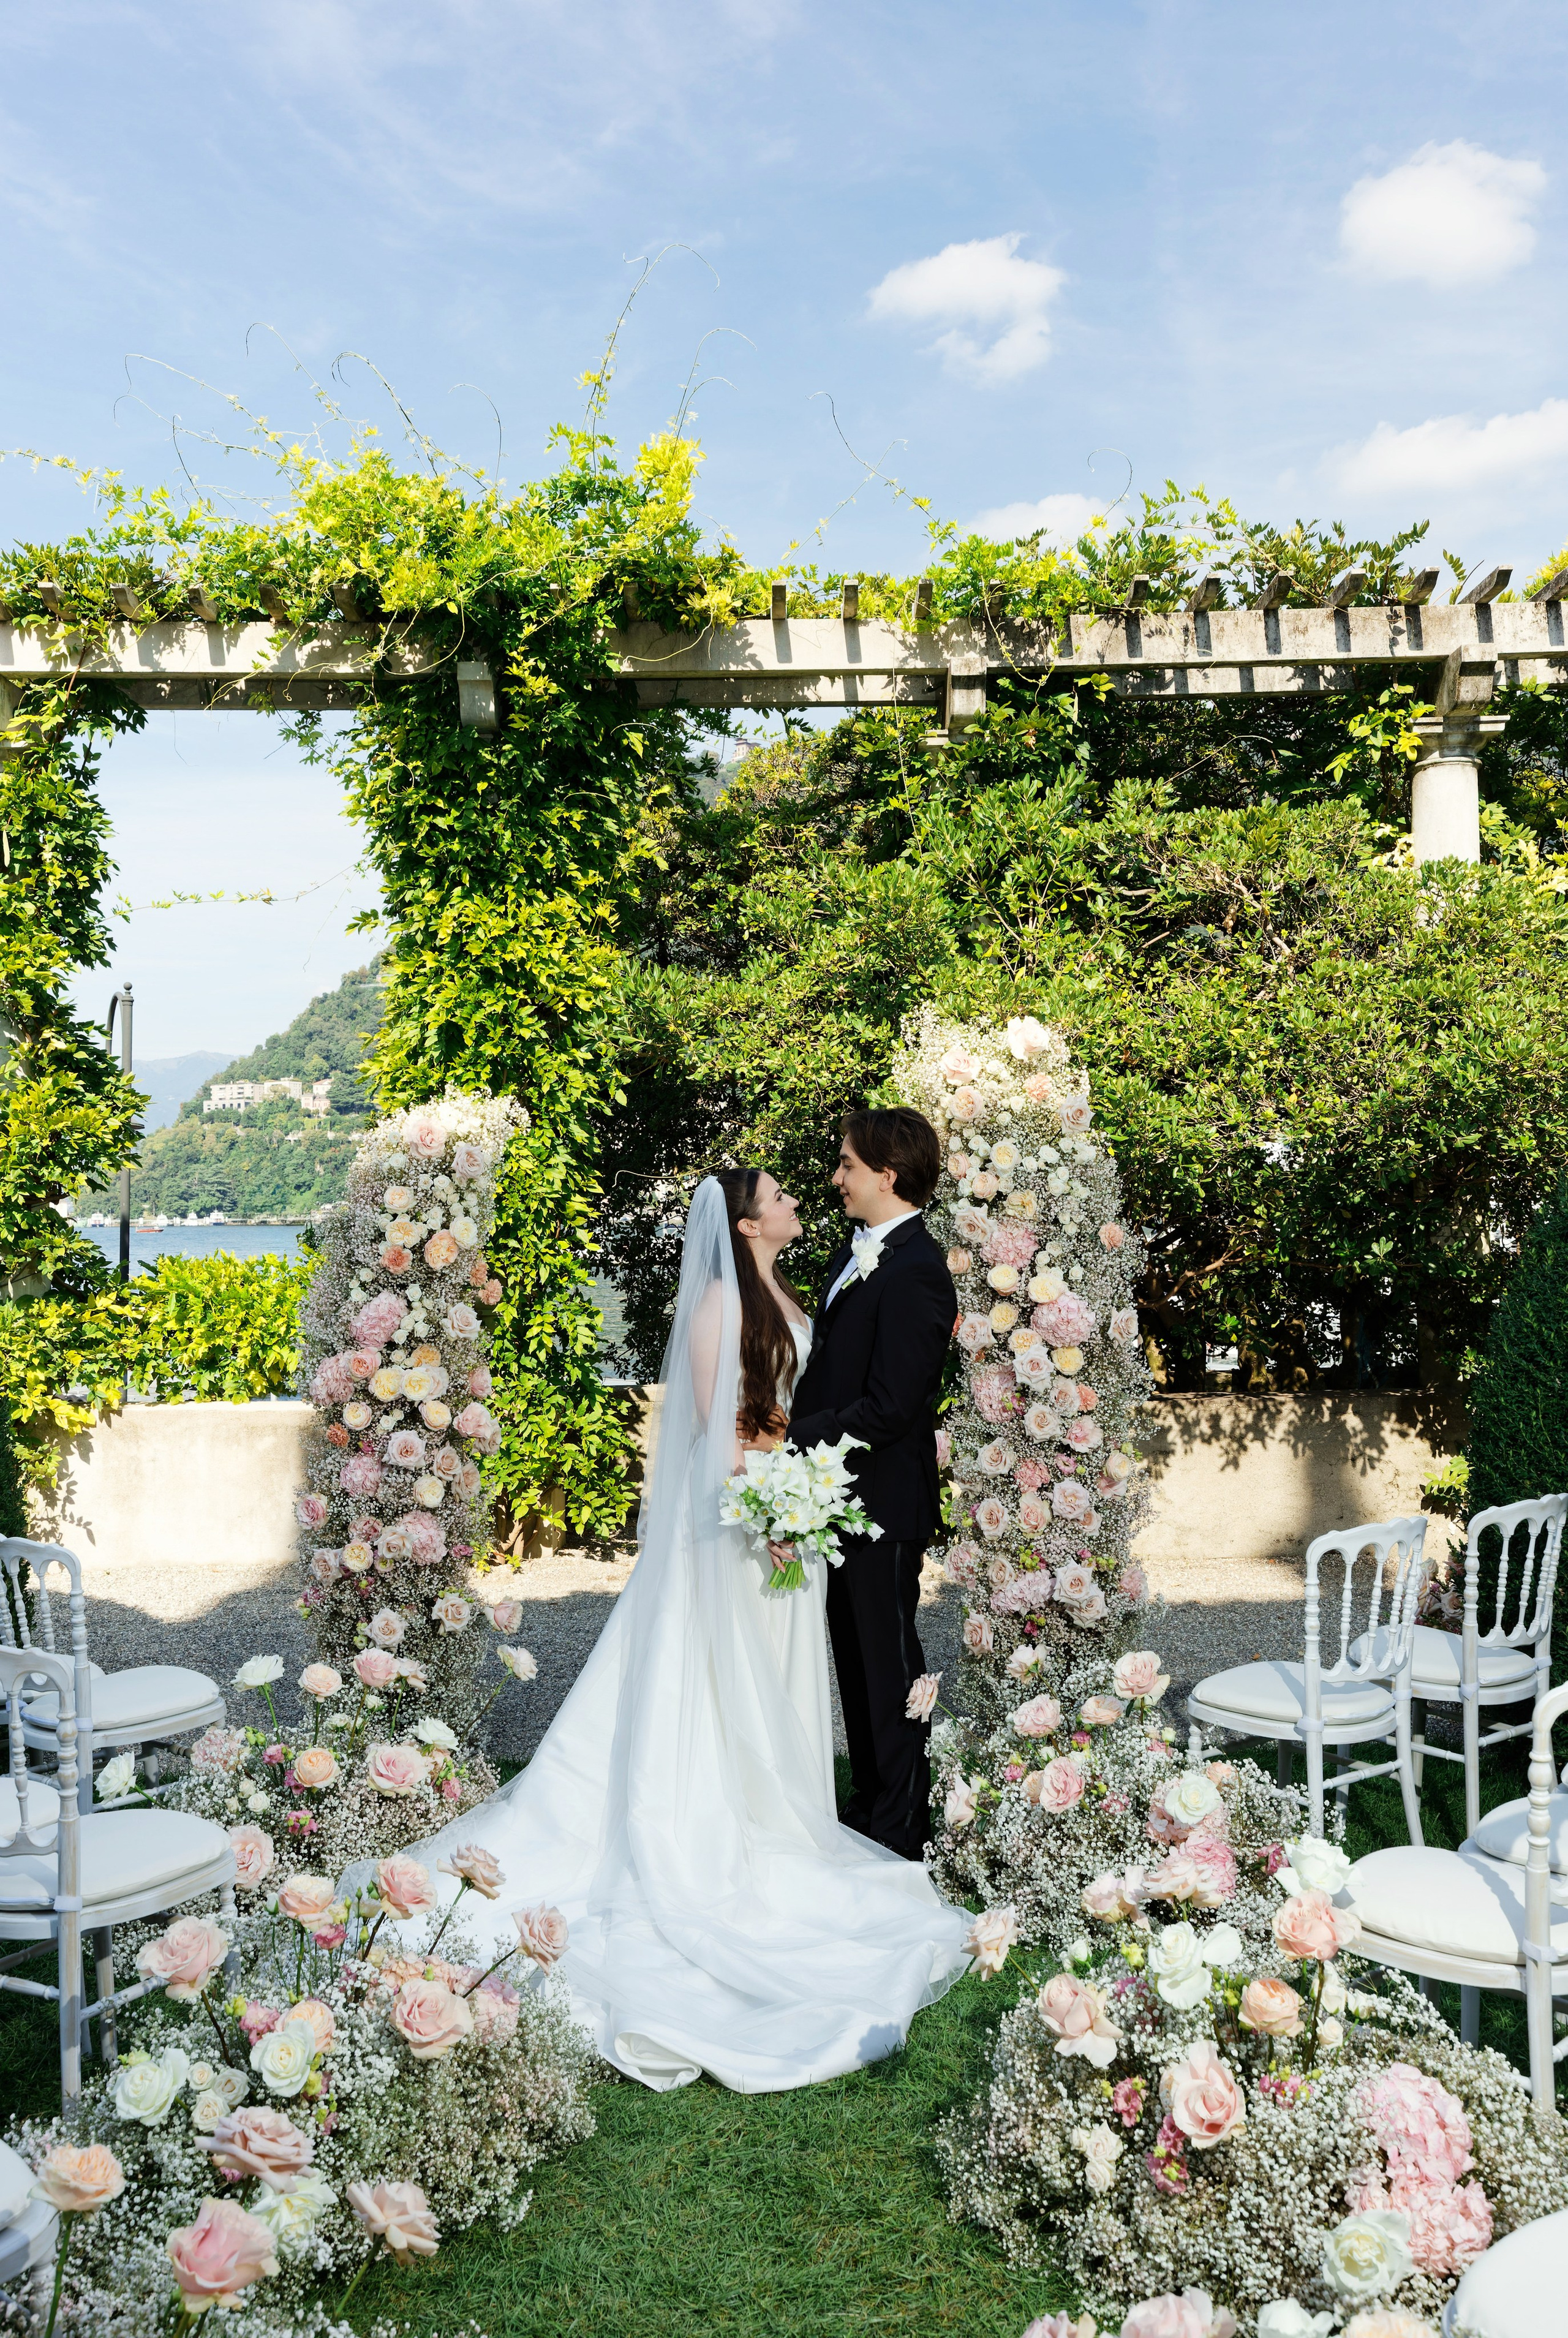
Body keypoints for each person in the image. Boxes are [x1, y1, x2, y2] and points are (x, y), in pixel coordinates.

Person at [401, 1164, 971, 2094]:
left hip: (789, 1525)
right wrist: (782, 1482)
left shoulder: (792, 1284)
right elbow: (723, 1430)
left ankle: (777, 1815)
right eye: (781, 1196)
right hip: (744, 1531)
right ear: (746, 1225)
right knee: (714, 1685)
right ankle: (719, 1829)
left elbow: (797, 1405)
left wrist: (802, 1481)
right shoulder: (717, 1304)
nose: (800, 1200)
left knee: (777, 1686)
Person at [786, 1108, 956, 1860]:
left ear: (887, 1174)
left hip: (884, 1500)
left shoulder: (919, 1269)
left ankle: (902, 1822)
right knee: (854, 1657)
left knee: (888, 1660)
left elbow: (891, 1405)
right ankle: (873, 1804)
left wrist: (792, 1437)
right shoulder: (857, 1255)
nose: (837, 1179)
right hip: (839, 1499)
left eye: (848, 1165)